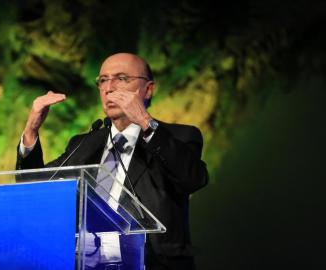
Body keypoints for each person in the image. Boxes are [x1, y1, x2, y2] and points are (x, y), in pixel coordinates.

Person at [16, 53, 208, 269]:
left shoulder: (180, 137)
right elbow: (33, 188)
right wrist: (31, 131)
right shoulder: (84, 143)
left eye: (122, 78)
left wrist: (145, 121)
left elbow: (192, 179)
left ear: (148, 89)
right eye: (103, 80)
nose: (109, 88)